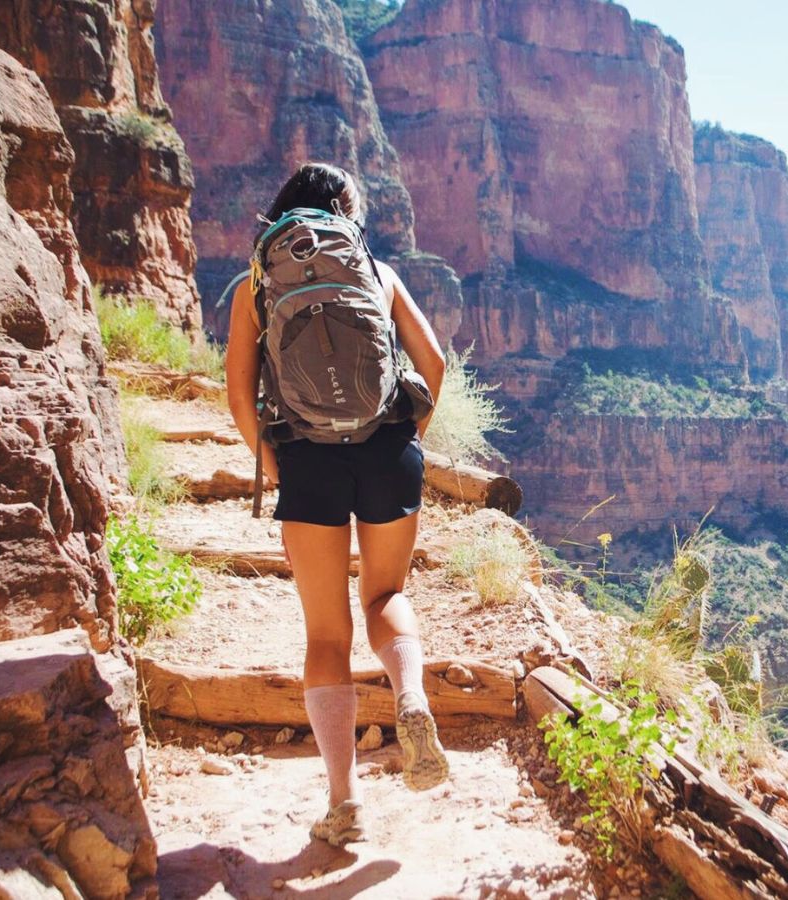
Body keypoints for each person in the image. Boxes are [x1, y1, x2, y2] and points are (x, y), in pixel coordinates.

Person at [224, 163, 450, 846]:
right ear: (343, 212)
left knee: (326, 635)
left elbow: (238, 394)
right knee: (385, 594)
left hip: (306, 459)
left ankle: (345, 801)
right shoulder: (376, 274)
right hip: (386, 447)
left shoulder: (256, 285)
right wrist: (407, 437)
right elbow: (433, 363)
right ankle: (410, 695)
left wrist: (273, 462)